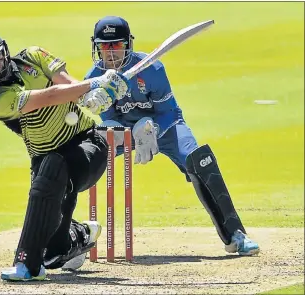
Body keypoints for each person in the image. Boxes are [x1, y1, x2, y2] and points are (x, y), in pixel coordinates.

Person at [82, 16, 260, 256]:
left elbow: (167, 113)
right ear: (96, 47)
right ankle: (70, 240)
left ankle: (235, 235)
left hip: (164, 127)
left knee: (200, 160)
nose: (111, 52)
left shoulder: (152, 68)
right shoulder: (94, 78)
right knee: (80, 161)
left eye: (117, 45)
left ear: (127, 44)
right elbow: (110, 120)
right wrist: (111, 121)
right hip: (123, 131)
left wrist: (150, 129)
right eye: (105, 46)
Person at [0, 27, 129, 281]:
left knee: (53, 163)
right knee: (53, 253)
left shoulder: (34, 56)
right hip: (46, 164)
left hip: (87, 147)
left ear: (5, 50)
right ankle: (78, 236)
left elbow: (66, 84)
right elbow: (49, 96)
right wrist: (95, 83)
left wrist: (93, 95)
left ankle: (26, 266)